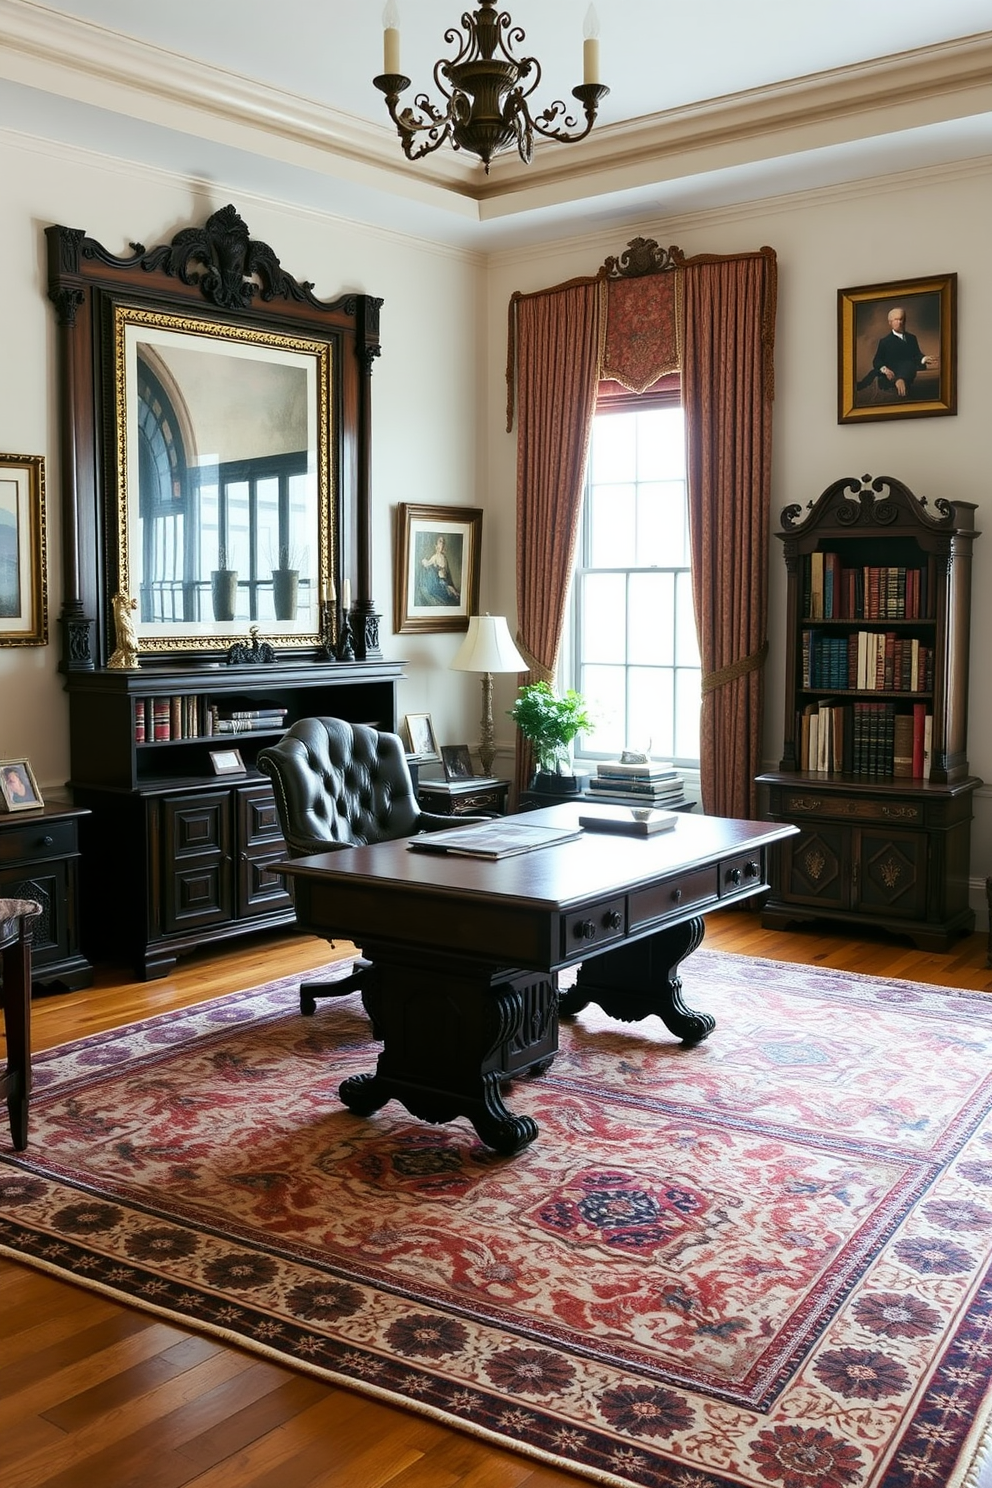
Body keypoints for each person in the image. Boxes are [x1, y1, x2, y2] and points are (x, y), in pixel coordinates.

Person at [857, 306, 937, 398]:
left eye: (902, 319)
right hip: (890, 374)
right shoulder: (885, 341)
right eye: (896, 319)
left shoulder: (912, 338)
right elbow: (877, 360)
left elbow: (916, 355)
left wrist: (923, 358)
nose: (900, 322)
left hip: (907, 371)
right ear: (890, 322)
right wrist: (885, 370)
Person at [417, 535, 460, 606]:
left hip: (444, 581)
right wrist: (423, 561)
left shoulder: (444, 557)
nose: (442, 544)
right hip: (439, 581)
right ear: (436, 545)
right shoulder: (435, 557)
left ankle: (454, 593)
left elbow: (447, 573)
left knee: (451, 591)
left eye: (443, 542)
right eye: (440, 542)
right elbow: (427, 564)